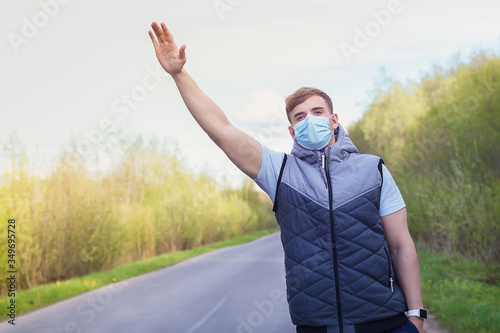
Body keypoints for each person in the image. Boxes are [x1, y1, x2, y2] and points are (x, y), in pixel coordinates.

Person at [148, 22, 426, 333]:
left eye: (318, 112)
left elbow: (401, 245)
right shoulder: (280, 173)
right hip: (316, 326)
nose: (310, 120)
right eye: (300, 116)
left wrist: (415, 316)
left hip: (384, 323)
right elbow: (222, 130)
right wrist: (179, 74)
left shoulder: (373, 170)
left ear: (334, 120)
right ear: (292, 131)